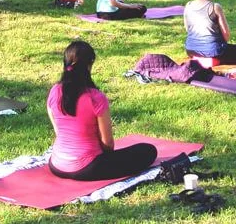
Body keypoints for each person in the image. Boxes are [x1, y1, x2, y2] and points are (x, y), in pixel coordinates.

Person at [47, 41, 157, 181]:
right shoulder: (95, 98)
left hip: (56, 165)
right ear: (89, 65)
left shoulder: (55, 90)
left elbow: (58, 130)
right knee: (148, 151)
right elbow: (108, 144)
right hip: (86, 168)